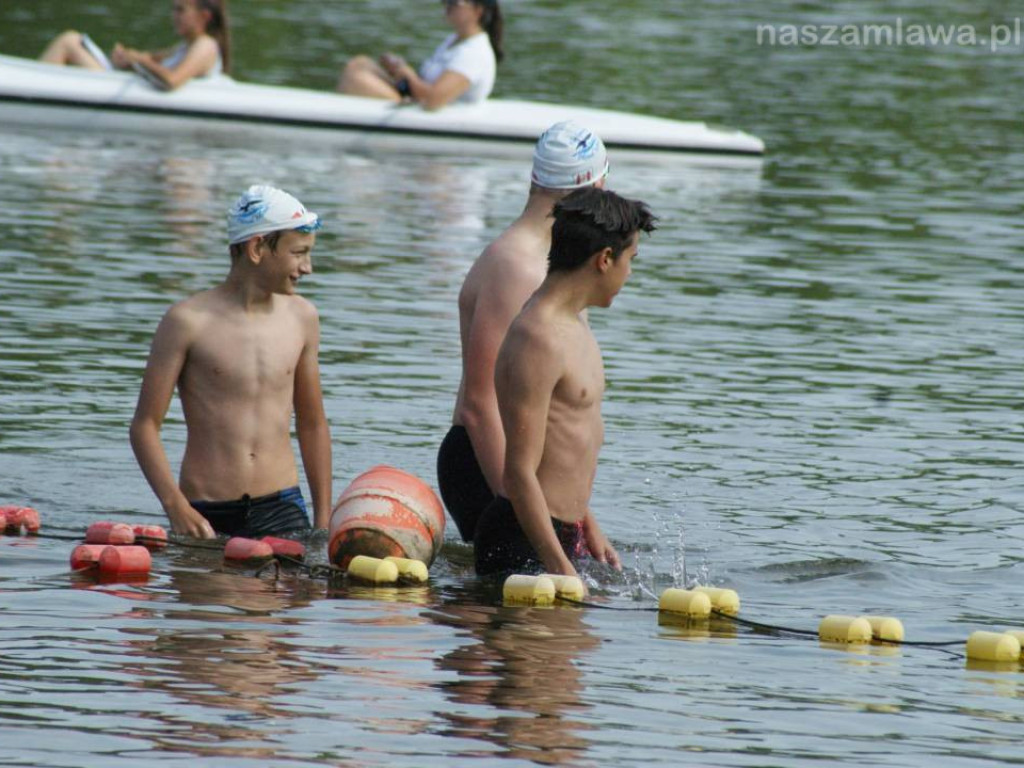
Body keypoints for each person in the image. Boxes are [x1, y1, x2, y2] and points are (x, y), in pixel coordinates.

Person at [437, 121, 609, 544]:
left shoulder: (551, 261)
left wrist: (584, 519)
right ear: (596, 186)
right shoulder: (516, 265)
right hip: (486, 461)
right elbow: (481, 405)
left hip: (521, 472)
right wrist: (518, 513)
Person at [129, 184, 331, 539]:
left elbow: (313, 424)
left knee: (287, 595)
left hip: (282, 507)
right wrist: (176, 507)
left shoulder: (303, 318)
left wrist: (324, 522)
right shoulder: (187, 322)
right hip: (204, 511)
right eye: (298, 253)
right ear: (257, 248)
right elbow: (144, 426)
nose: (307, 268)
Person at [474, 187, 657, 578]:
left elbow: (565, 446)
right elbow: (520, 472)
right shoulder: (537, 337)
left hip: (561, 532)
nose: (630, 273)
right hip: (523, 538)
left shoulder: (574, 322)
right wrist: (564, 571)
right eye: (631, 260)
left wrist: (588, 525)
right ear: (605, 260)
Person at [337, 0, 503, 109]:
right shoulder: (454, 40)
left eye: (454, 3)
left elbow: (433, 101)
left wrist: (408, 75)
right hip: (415, 99)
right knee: (359, 63)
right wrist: (399, 71)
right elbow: (425, 83)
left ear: (478, 11)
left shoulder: (474, 52)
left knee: (355, 79)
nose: (446, 5)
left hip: (433, 111)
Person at [39, 0, 231, 91]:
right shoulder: (184, 47)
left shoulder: (205, 46)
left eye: (181, 10)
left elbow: (172, 81)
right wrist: (128, 59)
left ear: (204, 16)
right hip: (136, 87)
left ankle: (38, 91)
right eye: (173, 10)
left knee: (68, 41)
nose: (174, 17)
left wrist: (138, 59)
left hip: (144, 93)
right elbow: (150, 60)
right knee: (71, 40)